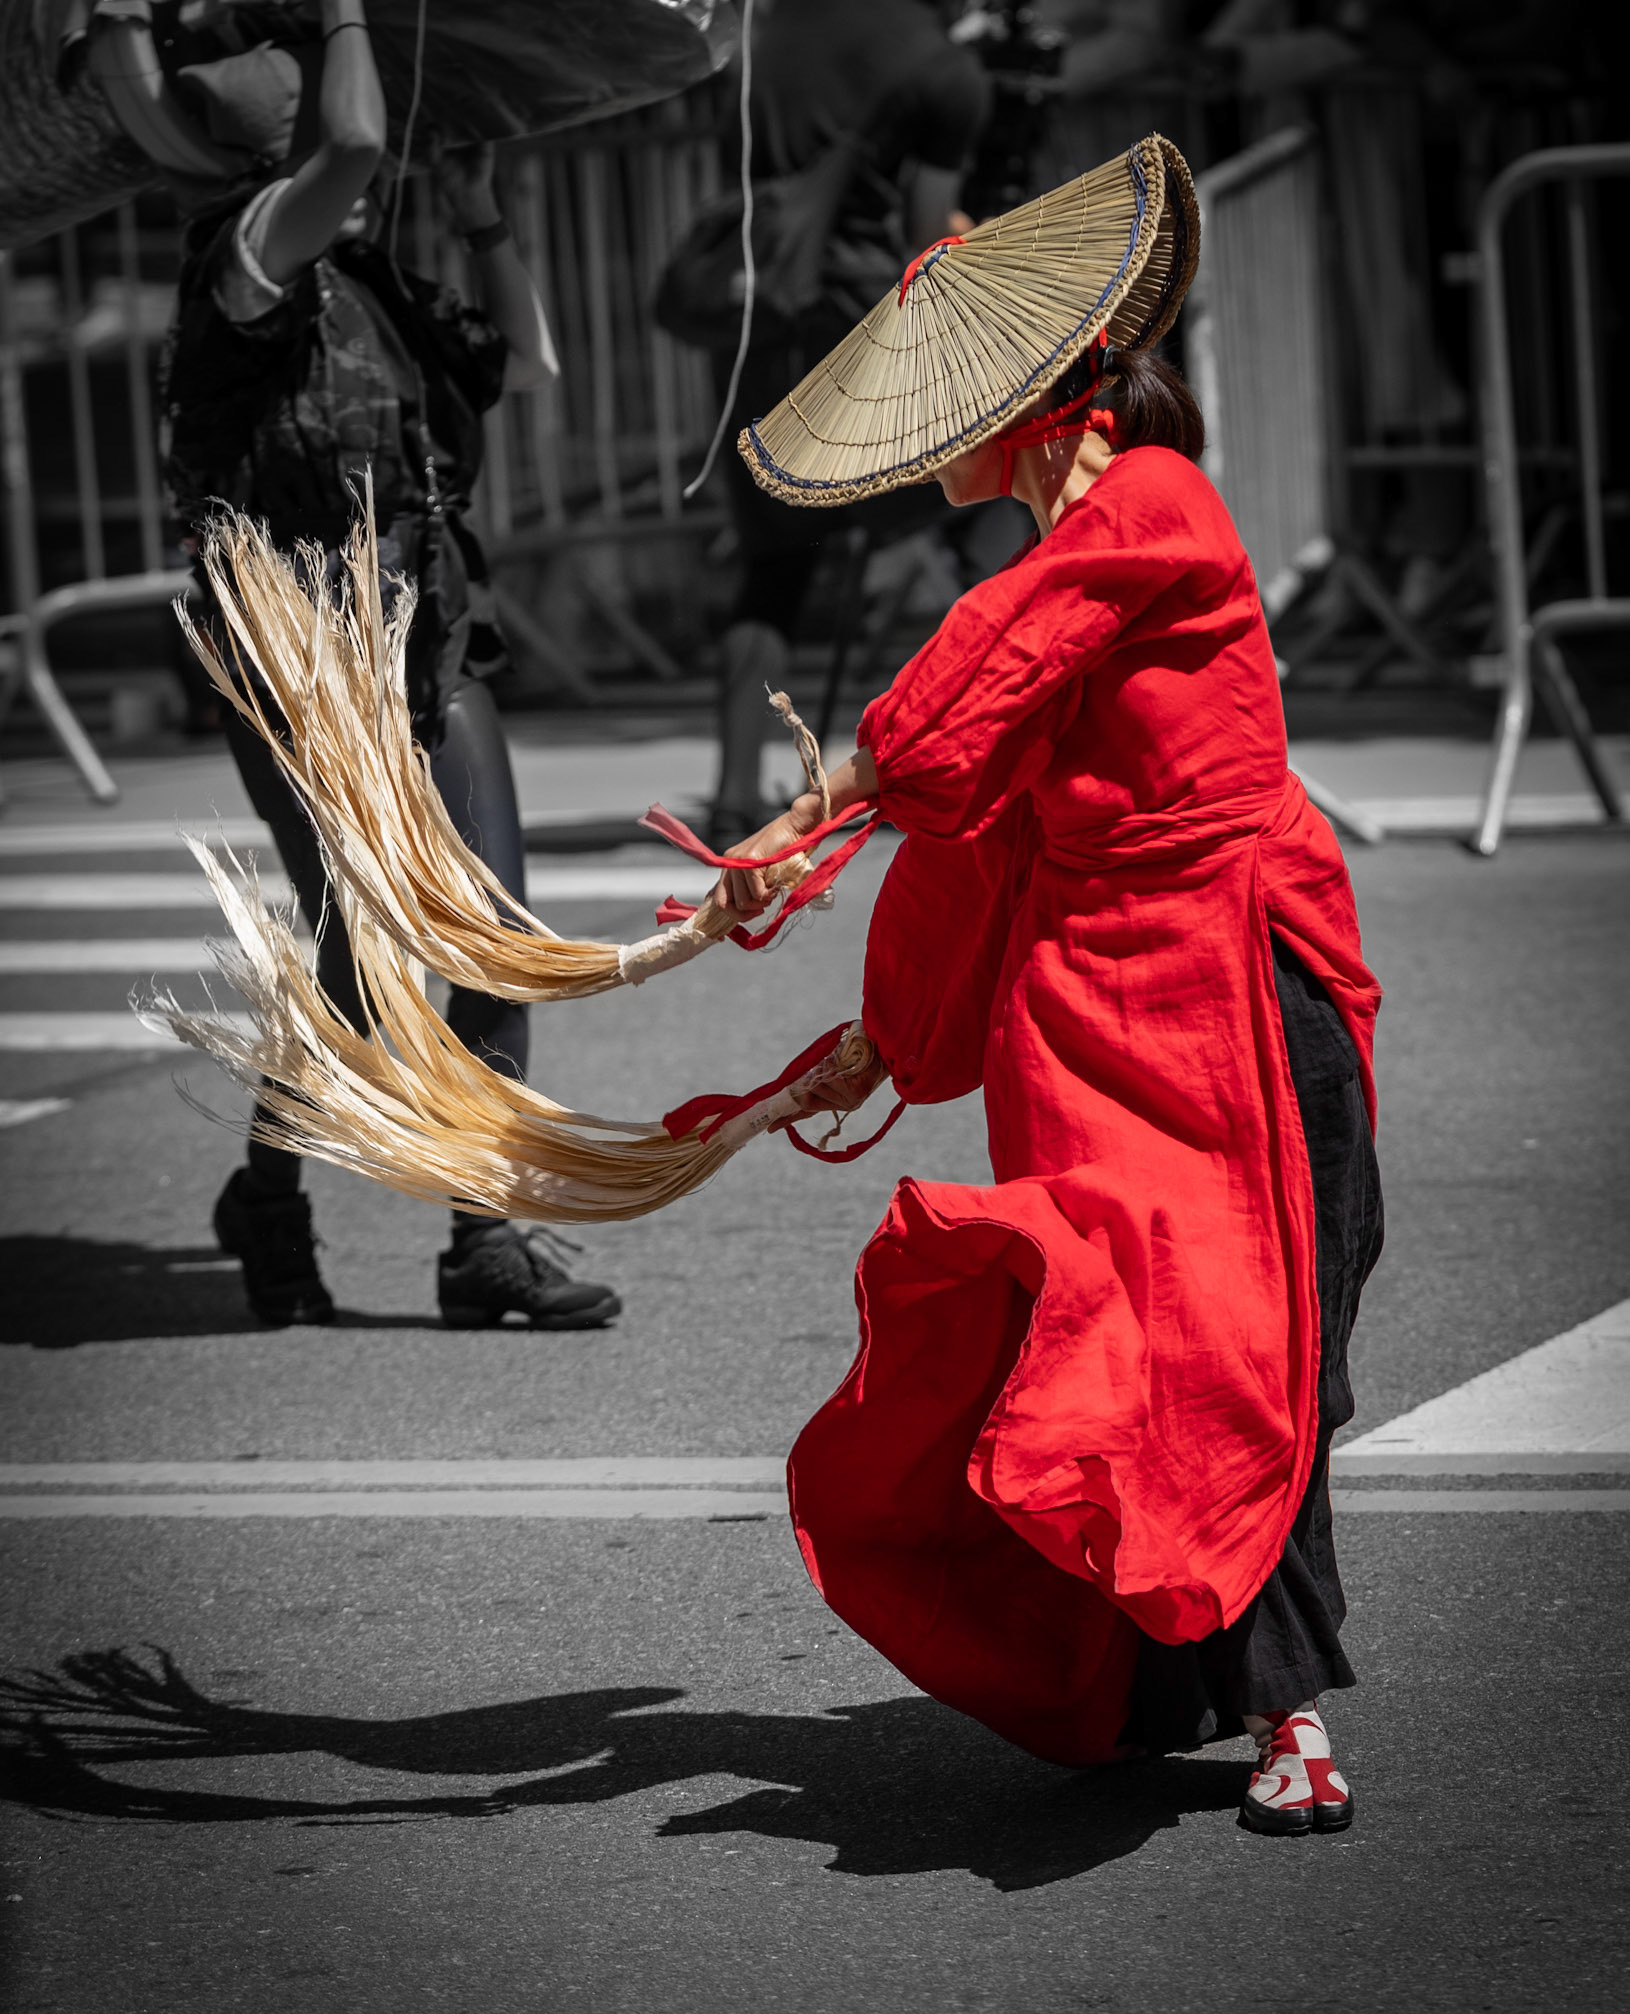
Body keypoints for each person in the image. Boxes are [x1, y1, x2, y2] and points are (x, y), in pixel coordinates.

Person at [720, 137, 1383, 1834]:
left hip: (1238, 1005)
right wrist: (881, 1029)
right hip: (1090, 1036)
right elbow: (966, 836)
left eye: (954, 404)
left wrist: (834, 790)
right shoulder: (1033, 573)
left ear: (1032, 405)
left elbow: (939, 734)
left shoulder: (1152, 508)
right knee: (1138, 1356)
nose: (927, 435)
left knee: (1264, 1356)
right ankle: (1207, 1690)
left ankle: (1278, 1704)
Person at [160, 0, 621, 1333]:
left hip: (431, 642)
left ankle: (487, 1237)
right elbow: (358, 144)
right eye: (309, 125)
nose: (356, 153)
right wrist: (349, 11)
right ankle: (269, 1193)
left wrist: (484, 219)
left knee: (493, 934)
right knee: (360, 964)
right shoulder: (237, 269)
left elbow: (524, 368)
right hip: (301, 669)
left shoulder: (374, 286)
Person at [704, 0, 992, 843]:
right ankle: (973, 755)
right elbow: (924, 232)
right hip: (873, 336)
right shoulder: (944, 68)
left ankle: (730, 790)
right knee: (981, 525)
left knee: (773, 566)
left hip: (763, 330)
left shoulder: (767, 31)